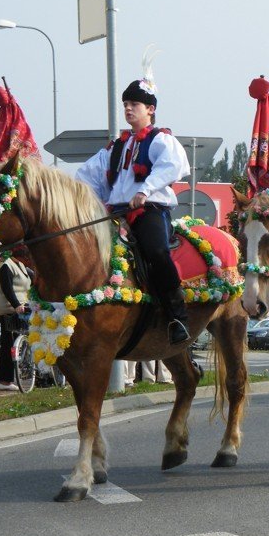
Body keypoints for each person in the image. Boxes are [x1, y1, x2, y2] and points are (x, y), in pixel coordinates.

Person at [75, 61, 191, 345]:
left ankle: (177, 316)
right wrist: (89, 201)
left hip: (148, 211)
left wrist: (147, 189)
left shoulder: (160, 139)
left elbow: (175, 165)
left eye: (135, 104)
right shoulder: (117, 146)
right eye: (126, 103)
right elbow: (86, 175)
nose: (128, 109)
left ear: (150, 109)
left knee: (156, 252)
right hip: (115, 214)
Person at [0, 258, 33, 391]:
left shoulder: (20, 264)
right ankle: (4, 380)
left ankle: (16, 377)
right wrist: (16, 305)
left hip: (22, 307)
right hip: (9, 309)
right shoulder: (5, 265)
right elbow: (7, 288)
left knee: (16, 342)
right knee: (8, 343)